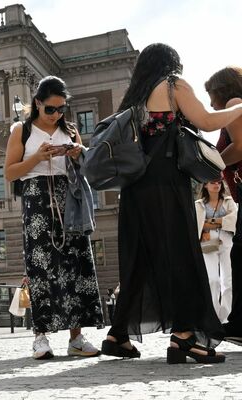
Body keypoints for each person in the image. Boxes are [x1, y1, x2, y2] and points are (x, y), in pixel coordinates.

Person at [101, 44, 242, 364]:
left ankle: (117, 335)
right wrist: (239, 108)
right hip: (166, 185)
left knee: (139, 262)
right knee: (181, 256)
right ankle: (184, 337)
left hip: (135, 190)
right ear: (171, 64)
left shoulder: (134, 98)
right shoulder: (172, 85)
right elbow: (206, 121)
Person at [4, 76, 104, 360]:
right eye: (50, 109)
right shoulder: (20, 131)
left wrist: (76, 154)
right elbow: (10, 173)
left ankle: (76, 338)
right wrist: (37, 157)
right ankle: (41, 337)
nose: (57, 114)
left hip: (69, 198)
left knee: (77, 264)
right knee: (40, 267)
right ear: (37, 103)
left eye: (61, 108)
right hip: (36, 200)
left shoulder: (70, 130)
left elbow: (84, 169)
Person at [208, 65, 242, 346]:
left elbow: (240, 146)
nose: (210, 104)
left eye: (211, 96)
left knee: (238, 257)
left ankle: (237, 325)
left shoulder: (234, 103)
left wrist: (213, 164)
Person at [194, 180, 237, 323]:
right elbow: (198, 223)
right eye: (212, 182)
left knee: (228, 281)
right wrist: (218, 222)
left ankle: (226, 318)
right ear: (205, 185)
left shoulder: (229, 201)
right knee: (213, 280)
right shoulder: (199, 204)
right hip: (207, 240)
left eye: (219, 182)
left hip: (227, 238)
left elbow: (233, 219)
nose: (216, 185)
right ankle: (213, 316)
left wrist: (209, 222)